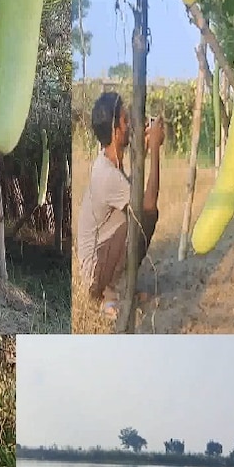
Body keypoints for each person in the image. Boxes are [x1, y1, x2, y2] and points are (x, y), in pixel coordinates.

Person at [76, 91, 165, 320]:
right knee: (144, 217)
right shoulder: (107, 175)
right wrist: (154, 148)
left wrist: (143, 150)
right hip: (95, 273)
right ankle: (107, 295)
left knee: (135, 219)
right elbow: (147, 204)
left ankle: (121, 287)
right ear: (116, 130)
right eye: (126, 120)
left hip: (100, 258)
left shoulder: (109, 165)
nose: (130, 125)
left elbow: (133, 190)